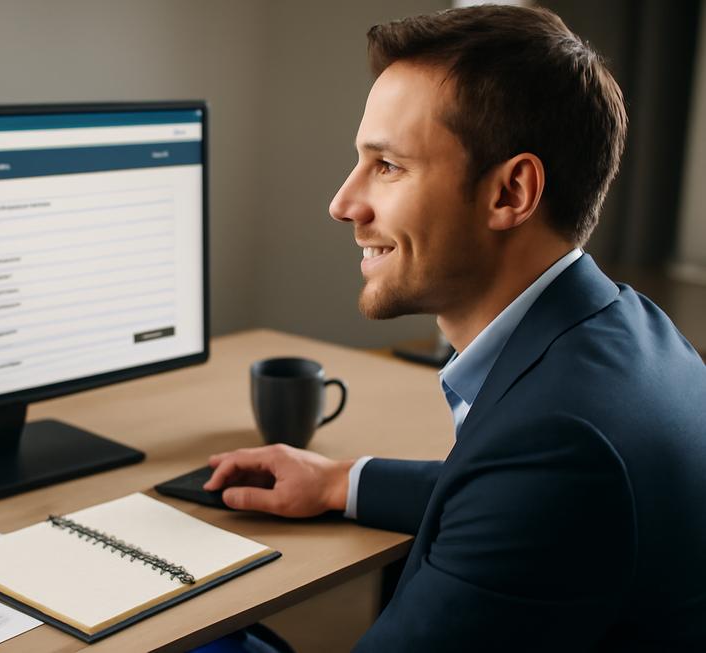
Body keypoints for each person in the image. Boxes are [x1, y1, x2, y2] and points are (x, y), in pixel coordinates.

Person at [203, 5, 706, 651]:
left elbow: (536, 483)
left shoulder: (557, 445)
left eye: (387, 165)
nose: (343, 203)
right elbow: (507, 496)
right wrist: (339, 481)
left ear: (510, 193)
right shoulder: (632, 329)